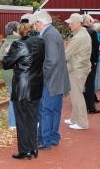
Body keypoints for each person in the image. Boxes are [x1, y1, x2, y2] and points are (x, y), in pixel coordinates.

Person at [2, 23, 44, 160]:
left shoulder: (18, 44)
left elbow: (6, 64)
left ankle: (25, 150)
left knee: (22, 119)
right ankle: (33, 148)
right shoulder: (41, 41)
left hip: (22, 87)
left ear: (20, 32)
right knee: (33, 118)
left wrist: (8, 51)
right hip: (36, 85)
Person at [33, 11, 70, 149]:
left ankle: (44, 140)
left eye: (35, 23)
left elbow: (51, 60)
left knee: (45, 110)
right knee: (54, 110)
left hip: (50, 80)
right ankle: (53, 137)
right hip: (57, 80)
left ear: (39, 23)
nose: (34, 26)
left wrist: (41, 75)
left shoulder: (48, 36)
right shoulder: (54, 32)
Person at [63, 13, 92, 130]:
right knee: (75, 94)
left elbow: (66, 55)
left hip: (77, 69)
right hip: (79, 68)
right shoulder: (82, 34)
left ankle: (82, 123)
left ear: (77, 23)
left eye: (71, 23)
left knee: (77, 96)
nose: (69, 25)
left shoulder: (79, 37)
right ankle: (75, 119)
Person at [0, 21, 21, 130]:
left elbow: (1, 57)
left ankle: (12, 123)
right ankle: (15, 122)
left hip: (7, 74)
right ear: (15, 31)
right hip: (17, 74)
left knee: (13, 98)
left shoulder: (6, 42)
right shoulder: (19, 41)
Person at [82, 14, 100, 114]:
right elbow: (95, 48)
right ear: (88, 21)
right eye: (91, 21)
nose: (92, 22)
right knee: (89, 83)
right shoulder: (92, 32)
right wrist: (95, 60)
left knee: (82, 83)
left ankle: (84, 103)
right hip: (90, 61)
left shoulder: (79, 31)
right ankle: (90, 106)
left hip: (81, 61)